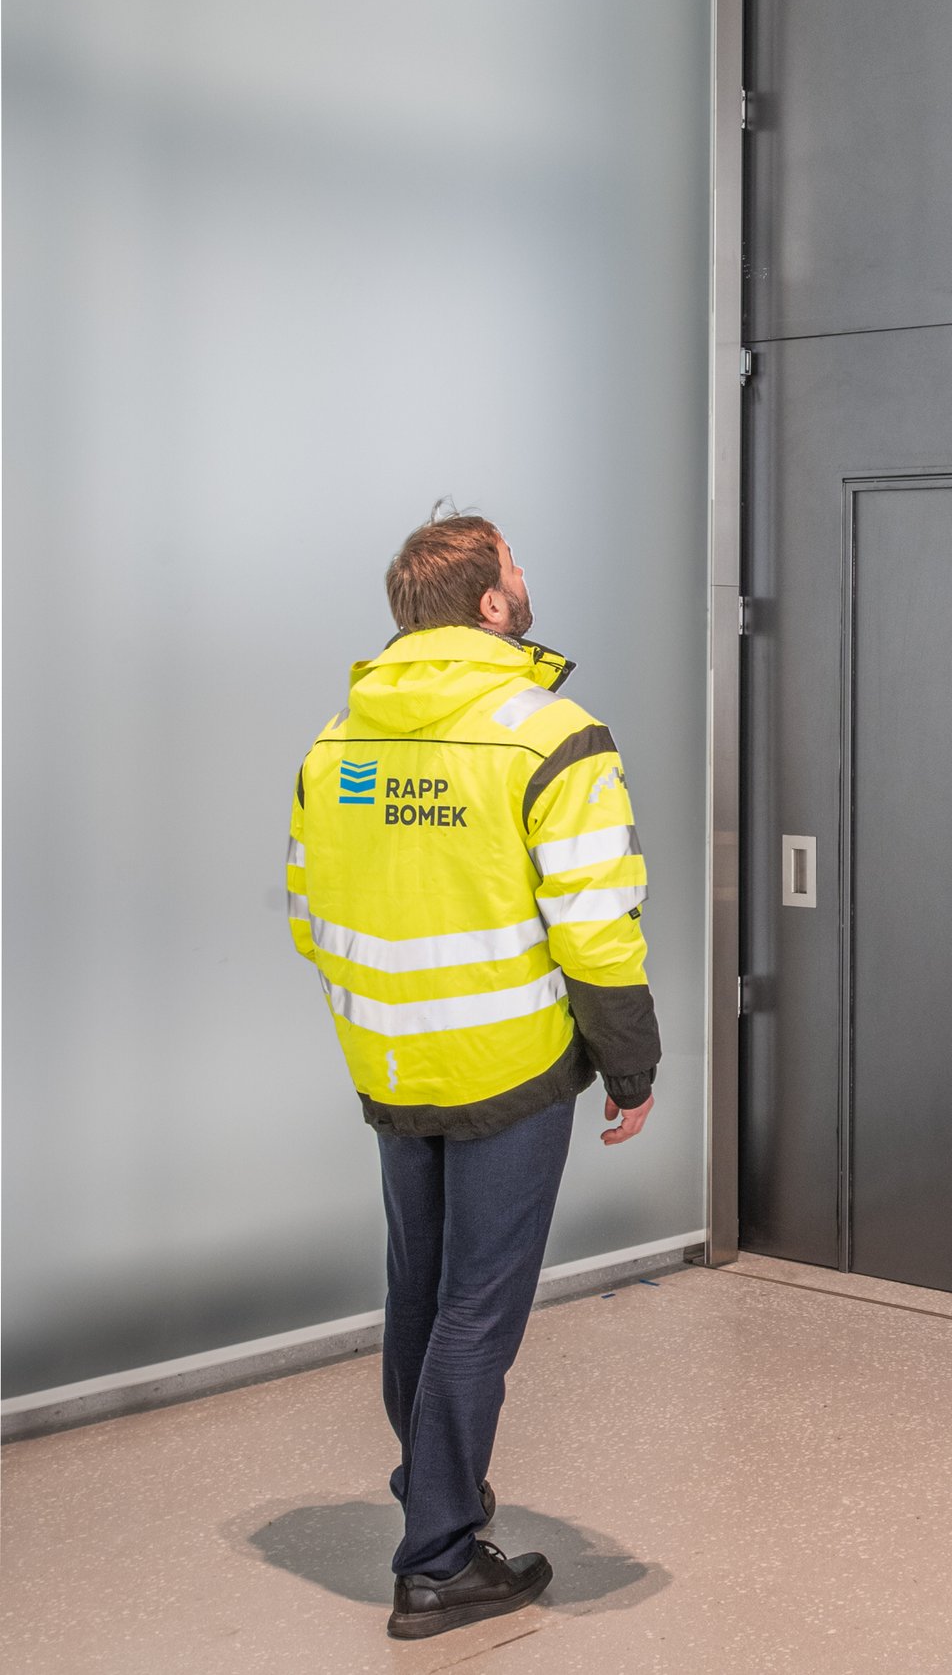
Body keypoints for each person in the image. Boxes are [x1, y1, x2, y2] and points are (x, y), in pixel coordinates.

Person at [289, 510, 661, 1641]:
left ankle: (432, 1490)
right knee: (476, 1312)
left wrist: (389, 1007)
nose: (526, 578)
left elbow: (310, 908)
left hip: (391, 1058)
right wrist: (629, 1066)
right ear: (492, 605)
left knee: (421, 1290)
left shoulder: (339, 743)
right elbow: (595, 927)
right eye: (515, 565)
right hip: (509, 1063)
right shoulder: (550, 733)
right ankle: (441, 1561)